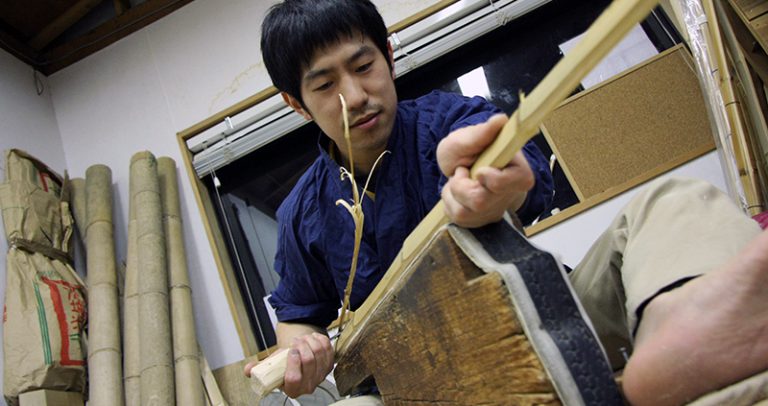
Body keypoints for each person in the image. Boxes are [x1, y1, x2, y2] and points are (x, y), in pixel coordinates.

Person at [245, 0, 768, 405]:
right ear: (296, 103)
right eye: (326, 84)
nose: (356, 94)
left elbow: (522, 178)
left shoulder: (452, 120)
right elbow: (298, 315)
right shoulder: (299, 214)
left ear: (388, 54)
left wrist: (495, 190)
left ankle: (677, 330)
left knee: (672, 201)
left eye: (363, 66)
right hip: (418, 388)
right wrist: (302, 352)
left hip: (547, 324)